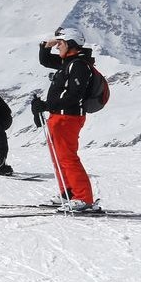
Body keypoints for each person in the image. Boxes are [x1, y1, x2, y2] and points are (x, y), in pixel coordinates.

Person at [31, 26, 99, 212]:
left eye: (60, 43)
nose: (57, 46)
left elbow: (74, 96)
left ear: (70, 43)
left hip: (68, 117)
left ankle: (83, 198)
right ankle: (68, 193)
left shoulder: (79, 65)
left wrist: (47, 105)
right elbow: (45, 60)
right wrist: (46, 45)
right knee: (58, 157)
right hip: (59, 116)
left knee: (68, 158)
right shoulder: (68, 62)